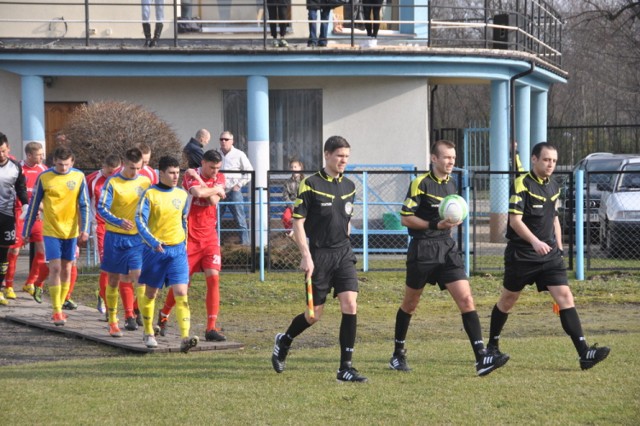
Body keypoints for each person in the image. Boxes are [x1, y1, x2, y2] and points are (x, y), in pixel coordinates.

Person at [389, 139, 509, 376]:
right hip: (422, 248)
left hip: (447, 248)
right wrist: (435, 223)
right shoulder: (419, 184)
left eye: (453, 158)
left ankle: (481, 358)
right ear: (434, 159)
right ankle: (397, 354)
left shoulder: (452, 184)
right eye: (446, 157)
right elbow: (405, 217)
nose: (451, 161)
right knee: (410, 304)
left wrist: (454, 220)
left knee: (466, 300)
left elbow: (449, 216)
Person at [486, 142, 610, 370]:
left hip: (549, 255)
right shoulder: (522, 183)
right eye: (546, 159)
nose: (550, 164)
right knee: (508, 300)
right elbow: (515, 221)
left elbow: (553, 218)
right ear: (534, 160)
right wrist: (534, 242)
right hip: (522, 254)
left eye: (553, 160)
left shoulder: (554, 185)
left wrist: (559, 246)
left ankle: (585, 353)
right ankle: (492, 346)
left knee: (565, 297)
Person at [271, 136, 368, 383]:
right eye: (339, 156)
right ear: (327, 155)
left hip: (344, 254)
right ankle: (285, 340)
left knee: (351, 305)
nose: (344, 160)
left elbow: (345, 222)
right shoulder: (310, 184)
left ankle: (345, 368)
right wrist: (306, 256)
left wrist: (345, 245)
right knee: (313, 315)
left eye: (346, 156)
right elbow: (298, 222)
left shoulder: (350, 186)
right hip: (319, 257)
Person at [157, 150, 228, 342]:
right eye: (211, 167)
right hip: (189, 237)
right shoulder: (188, 176)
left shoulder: (219, 176)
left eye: (218, 168)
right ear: (203, 163)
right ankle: (163, 314)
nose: (215, 172)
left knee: (214, 279)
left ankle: (211, 327)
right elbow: (198, 193)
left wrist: (204, 183)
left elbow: (212, 200)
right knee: (182, 283)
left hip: (210, 238)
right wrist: (211, 187)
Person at [135, 155, 198, 352]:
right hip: (155, 251)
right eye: (171, 173)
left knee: (181, 292)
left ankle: (185, 337)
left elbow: (183, 220)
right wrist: (153, 242)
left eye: (177, 173)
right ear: (160, 173)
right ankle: (148, 331)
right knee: (152, 293)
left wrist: (184, 244)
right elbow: (140, 221)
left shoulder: (181, 194)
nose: (175, 176)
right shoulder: (149, 194)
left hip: (177, 250)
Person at [22, 146, 90, 325]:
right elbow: (34, 205)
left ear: (72, 162)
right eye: (60, 164)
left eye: (66, 165)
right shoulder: (44, 177)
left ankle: (61, 303)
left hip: (71, 231)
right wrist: (26, 231)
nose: (63, 168)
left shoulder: (78, 177)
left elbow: (85, 205)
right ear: (54, 162)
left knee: (67, 268)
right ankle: (56, 310)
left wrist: (85, 230)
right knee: (55, 268)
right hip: (51, 230)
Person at [98, 148, 151, 337]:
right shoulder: (113, 182)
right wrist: (118, 221)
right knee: (113, 279)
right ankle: (113, 321)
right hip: (115, 237)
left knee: (140, 277)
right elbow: (101, 208)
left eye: (139, 167)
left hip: (137, 238)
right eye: (131, 168)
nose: (135, 172)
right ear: (124, 163)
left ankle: (147, 324)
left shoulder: (145, 181)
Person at [2, 142, 46, 301]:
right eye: (39, 154)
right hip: (18, 214)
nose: (42, 157)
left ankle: (31, 282)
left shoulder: (43, 170)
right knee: (14, 251)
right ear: (29, 155)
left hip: (36, 216)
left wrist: (41, 207)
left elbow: (45, 193)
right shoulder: (16, 168)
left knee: (43, 248)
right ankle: (8, 286)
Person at [86, 154, 122, 314]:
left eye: (115, 172)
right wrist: (85, 228)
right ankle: (108, 306)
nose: (111, 175)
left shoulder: (123, 179)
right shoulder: (92, 180)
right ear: (103, 166)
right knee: (106, 265)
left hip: (121, 226)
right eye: (109, 172)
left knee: (120, 268)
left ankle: (102, 294)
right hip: (100, 226)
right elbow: (83, 203)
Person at [0, 133, 29, 306]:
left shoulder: (15, 166)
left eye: (3, 151)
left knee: (3, 255)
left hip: (7, 217)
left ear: (8, 148)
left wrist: (25, 204)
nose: (1, 154)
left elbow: (21, 188)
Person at [218, 131, 253, 246]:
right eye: (221, 139)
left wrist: (239, 185)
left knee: (240, 218)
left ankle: (245, 246)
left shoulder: (239, 154)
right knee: (215, 218)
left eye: (226, 139)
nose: (223, 141)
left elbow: (249, 172)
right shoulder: (216, 154)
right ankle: (214, 244)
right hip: (219, 191)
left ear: (232, 141)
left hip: (234, 191)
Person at [281, 158, 304, 235]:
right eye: (291, 167)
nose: (293, 169)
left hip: (302, 205)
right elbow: (285, 196)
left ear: (300, 168)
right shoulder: (287, 182)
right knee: (286, 217)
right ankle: (291, 233)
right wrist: (291, 206)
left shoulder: (305, 181)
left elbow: (306, 195)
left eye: (295, 167)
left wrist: (298, 205)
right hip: (291, 205)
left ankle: (299, 232)